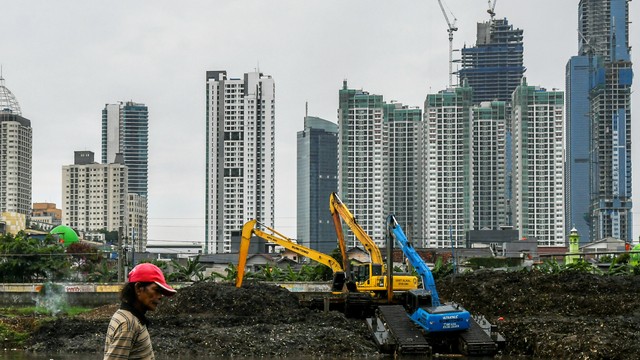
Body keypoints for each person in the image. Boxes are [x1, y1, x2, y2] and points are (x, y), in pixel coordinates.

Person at [104, 263, 176, 360]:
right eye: (156, 290)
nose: (160, 296)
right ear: (138, 288)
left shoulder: (128, 317)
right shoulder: (128, 324)